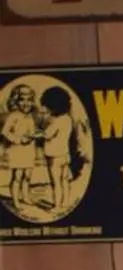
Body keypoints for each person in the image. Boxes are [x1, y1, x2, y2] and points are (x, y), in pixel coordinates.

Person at [37, 84, 75, 216]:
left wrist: (35, 133)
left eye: (47, 106)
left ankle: (57, 206)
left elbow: (47, 135)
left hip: (54, 156)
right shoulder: (68, 119)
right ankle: (66, 203)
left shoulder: (56, 121)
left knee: (56, 182)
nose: (45, 109)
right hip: (65, 154)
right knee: (64, 180)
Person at [1, 82, 38, 212]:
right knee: (17, 176)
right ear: (16, 101)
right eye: (22, 100)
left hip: (28, 150)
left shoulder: (30, 117)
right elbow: (5, 132)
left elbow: (30, 131)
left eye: (29, 100)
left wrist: (34, 135)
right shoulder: (13, 116)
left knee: (27, 175)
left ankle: (26, 197)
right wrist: (18, 139)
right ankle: (16, 200)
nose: (26, 103)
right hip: (17, 150)